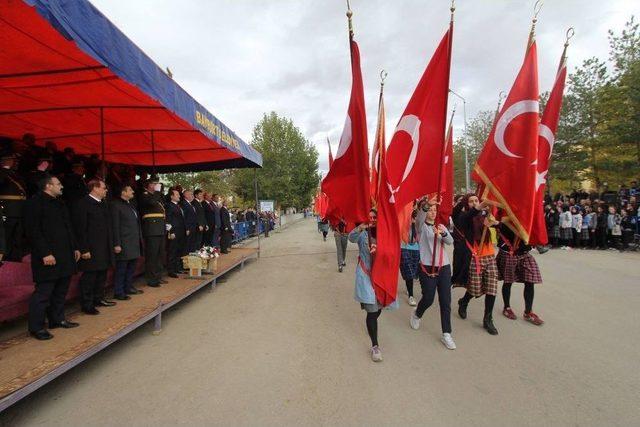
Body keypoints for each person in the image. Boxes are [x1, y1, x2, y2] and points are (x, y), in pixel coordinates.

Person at [24, 174, 80, 340]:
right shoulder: (34, 203)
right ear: (48, 186)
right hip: (47, 256)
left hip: (65, 254)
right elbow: (33, 231)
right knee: (44, 293)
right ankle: (36, 327)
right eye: (58, 184)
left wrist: (75, 247)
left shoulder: (60, 203)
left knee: (61, 290)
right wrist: (45, 253)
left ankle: (57, 319)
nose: (61, 186)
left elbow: (68, 227)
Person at [348, 208, 397, 362]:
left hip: (382, 275)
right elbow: (351, 237)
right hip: (366, 275)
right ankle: (375, 345)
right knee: (372, 310)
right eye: (369, 217)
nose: (372, 219)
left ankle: (372, 323)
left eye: (374, 217)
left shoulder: (385, 232)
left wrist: (380, 250)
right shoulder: (362, 233)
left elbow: (392, 250)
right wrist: (360, 227)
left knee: (377, 310)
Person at [409, 203, 456, 349]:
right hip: (427, 267)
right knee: (428, 298)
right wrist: (425, 206)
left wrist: (443, 233)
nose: (433, 212)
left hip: (444, 267)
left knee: (445, 301)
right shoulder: (421, 227)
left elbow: (450, 241)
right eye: (430, 210)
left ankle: (446, 333)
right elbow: (419, 219)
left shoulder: (440, 226)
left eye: (435, 210)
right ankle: (417, 314)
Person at [456, 197, 501, 335]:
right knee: (475, 288)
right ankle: (464, 301)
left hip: (489, 255)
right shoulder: (465, 217)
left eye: (476, 200)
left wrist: (494, 223)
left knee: (491, 287)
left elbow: (499, 226)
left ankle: (488, 319)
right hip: (475, 256)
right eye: (471, 201)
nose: (475, 203)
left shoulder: (485, 215)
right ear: (466, 204)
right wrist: (479, 207)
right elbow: (464, 219)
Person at [74, 179, 115, 314]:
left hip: (103, 247)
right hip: (91, 248)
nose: (106, 190)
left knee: (101, 274)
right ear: (95, 188)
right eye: (104, 188)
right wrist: (84, 248)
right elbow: (80, 228)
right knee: (89, 277)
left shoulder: (103, 204)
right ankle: (87, 304)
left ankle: (98, 298)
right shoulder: (83, 203)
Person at [496, 223, 544, 326]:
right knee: (508, 281)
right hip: (509, 252)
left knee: (530, 281)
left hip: (525, 253)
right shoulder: (506, 217)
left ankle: (528, 311)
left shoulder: (529, 217)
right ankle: (507, 307)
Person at [111, 185, 143, 300]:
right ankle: (119, 291)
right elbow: (115, 226)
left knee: (131, 267)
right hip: (123, 242)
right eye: (130, 190)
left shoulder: (131, 204)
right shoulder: (115, 205)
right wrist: (117, 243)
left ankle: (128, 287)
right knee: (122, 268)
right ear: (123, 192)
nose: (133, 191)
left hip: (133, 241)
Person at [138, 176, 166, 287]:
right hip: (151, 228)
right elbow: (152, 203)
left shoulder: (156, 195)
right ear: (149, 185)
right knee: (152, 255)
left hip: (159, 227)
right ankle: (151, 279)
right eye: (155, 183)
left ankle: (158, 277)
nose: (157, 185)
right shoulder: (144, 195)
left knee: (159, 254)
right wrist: (158, 192)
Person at [0, 149, 27, 261]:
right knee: (7, 235)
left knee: (17, 236)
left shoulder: (14, 174)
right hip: (7, 209)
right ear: (6, 160)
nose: (15, 162)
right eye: (12, 160)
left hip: (18, 209)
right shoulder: (2, 173)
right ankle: (5, 257)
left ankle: (15, 257)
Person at [400, 209, 420, 306]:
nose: (416, 220)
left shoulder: (419, 226)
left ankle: (408, 287)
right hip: (404, 247)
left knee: (414, 272)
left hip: (416, 249)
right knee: (409, 272)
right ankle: (411, 296)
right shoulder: (404, 223)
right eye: (415, 218)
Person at [166, 187, 187, 277]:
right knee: (173, 251)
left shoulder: (178, 206)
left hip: (181, 232)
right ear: (171, 196)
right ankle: (171, 270)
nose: (179, 196)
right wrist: (171, 232)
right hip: (174, 232)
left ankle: (178, 268)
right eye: (177, 194)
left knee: (179, 250)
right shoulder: (169, 205)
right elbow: (168, 220)